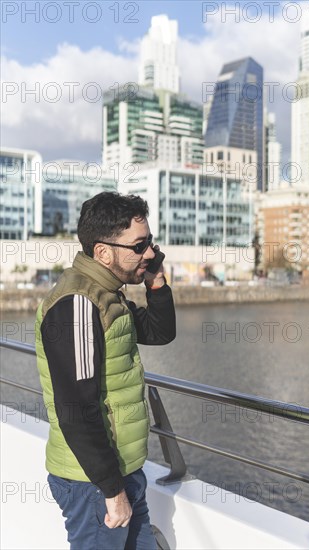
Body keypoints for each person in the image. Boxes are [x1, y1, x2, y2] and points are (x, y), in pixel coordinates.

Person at [35, 192, 176, 550]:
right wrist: (111, 490)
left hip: (121, 471)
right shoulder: (80, 303)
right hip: (94, 483)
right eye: (139, 246)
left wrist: (155, 280)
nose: (149, 253)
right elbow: (77, 409)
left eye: (151, 244)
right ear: (103, 252)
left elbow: (159, 333)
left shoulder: (108, 294)